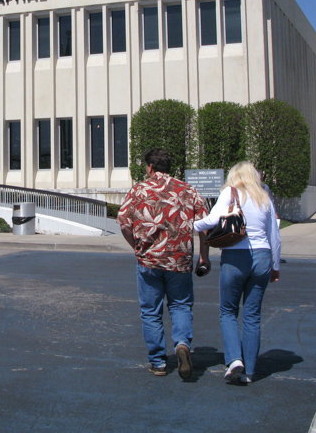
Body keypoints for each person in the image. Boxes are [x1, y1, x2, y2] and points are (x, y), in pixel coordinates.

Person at [117, 148, 210, 379]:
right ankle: (182, 344)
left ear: (150, 167)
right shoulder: (188, 190)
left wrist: (137, 247)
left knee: (151, 311)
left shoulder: (139, 190)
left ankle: (158, 362)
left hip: (149, 260)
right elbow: (204, 226)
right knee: (180, 306)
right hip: (180, 260)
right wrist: (204, 256)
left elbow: (124, 224)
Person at [194, 161, 281, 385]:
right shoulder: (264, 198)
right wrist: (275, 266)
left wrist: (189, 225)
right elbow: (274, 235)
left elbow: (212, 221)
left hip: (235, 256)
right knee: (252, 315)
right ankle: (249, 371)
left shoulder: (230, 193)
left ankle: (234, 360)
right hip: (262, 256)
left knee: (228, 311)